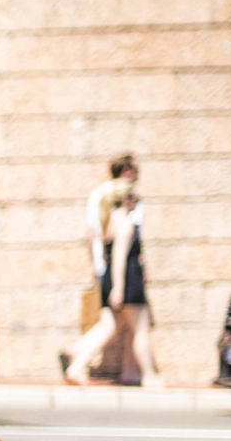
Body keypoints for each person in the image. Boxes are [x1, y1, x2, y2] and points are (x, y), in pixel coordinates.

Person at [64, 154, 161, 387]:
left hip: (113, 274)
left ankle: (78, 358)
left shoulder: (111, 221)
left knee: (112, 326)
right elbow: (119, 256)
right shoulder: (124, 223)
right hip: (125, 278)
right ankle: (148, 375)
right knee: (139, 328)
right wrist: (117, 287)